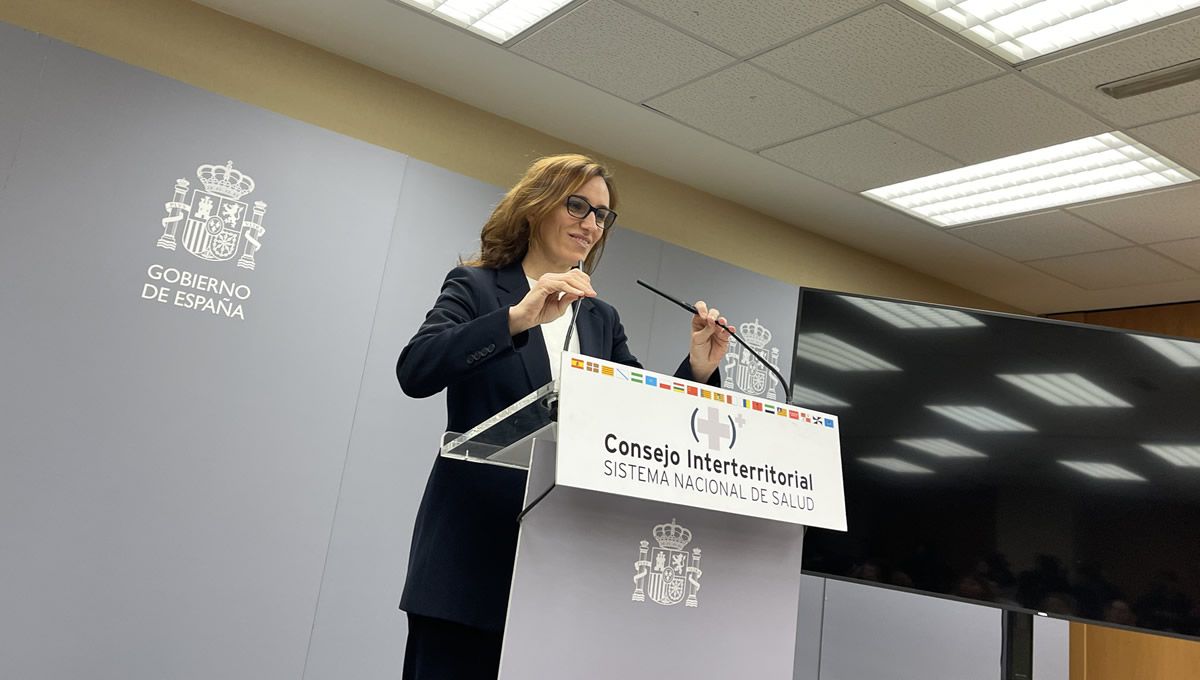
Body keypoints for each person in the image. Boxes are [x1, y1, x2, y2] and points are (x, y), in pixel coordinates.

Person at [395, 153, 732, 679]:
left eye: (602, 215)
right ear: (535, 207)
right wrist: (517, 318)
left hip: (560, 570)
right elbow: (415, 370)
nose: (591, 223)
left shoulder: (600, 319)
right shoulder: (478, 287)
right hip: (468, 562)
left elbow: (640, 417)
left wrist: (697, 369)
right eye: (578, 205)